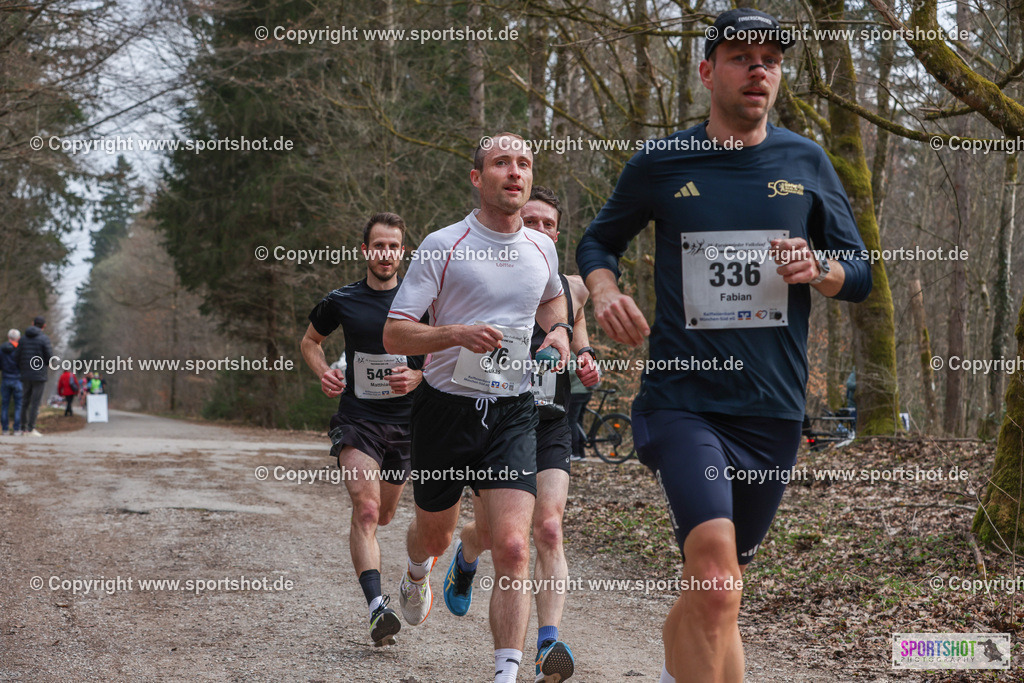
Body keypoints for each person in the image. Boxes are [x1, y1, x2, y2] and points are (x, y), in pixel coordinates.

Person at [575, 9, 872, 682]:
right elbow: (598, 240)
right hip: (683, 401)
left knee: (717, 588)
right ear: (709, 71)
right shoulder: (661, 162)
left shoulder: (808, 162)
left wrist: (818, 269)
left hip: (771, 409)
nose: (758, 68)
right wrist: (603, 291)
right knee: (715, 575)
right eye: (741, 56)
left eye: (770, 58)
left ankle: (674, 664)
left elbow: (860, 274)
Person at [383, 132, 570, 683]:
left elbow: (552, 296)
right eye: (500, 163)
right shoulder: (445, 245)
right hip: (444, 408)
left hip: (513, 409)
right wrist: (454, 334)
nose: (515, 173)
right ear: (476, 178)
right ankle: (418, 572)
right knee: (436, 534)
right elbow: (395, 333)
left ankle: (506, 673)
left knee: (514, 544)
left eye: (524, 164)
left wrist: (557, 331)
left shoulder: (542, 246)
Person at [443, 186, 600, 683]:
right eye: (529, 219)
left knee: (549, 528)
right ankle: (467, 553)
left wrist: (586, 365)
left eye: (547, 223)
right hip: (498, 422)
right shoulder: (486, 273)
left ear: (557, 233)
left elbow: (580, 348)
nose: (537, 228)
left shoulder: (572, 287)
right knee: (496, 538)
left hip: (551, 417)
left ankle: (548, 643)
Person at [300, 212, 425, 647]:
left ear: (402, 251)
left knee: (386, 514)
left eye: (393, 246)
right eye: (379, 246)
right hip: (358, 420)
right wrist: (323, 373)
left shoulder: (423, 303)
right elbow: (310, 342)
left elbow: (451, 355)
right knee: (367, 510)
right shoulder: (341, 301)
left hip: (407, 426)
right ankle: (377, 609)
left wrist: (419, 377)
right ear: (365, 251)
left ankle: (414, 576)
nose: (386, 254)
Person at [19, 316, 53, 437]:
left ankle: (22, 429)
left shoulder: (22, 339)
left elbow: (17, 356)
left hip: (25, 374)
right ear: (44, 326)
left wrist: (22, 368)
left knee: (24, 401)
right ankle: (31, 428)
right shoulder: (44, 339)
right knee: (35, 402)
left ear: (33, 324)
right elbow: (49, 356)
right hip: (39, 375)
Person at [0, 329, 22, 435]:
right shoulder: (20, 350)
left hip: (6, 379)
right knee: (18, 405)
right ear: (18, 338)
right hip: (18, 379)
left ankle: (5, 429)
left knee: (5, 405)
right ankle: (16, 429)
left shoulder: (2, 349)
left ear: (8, 337)